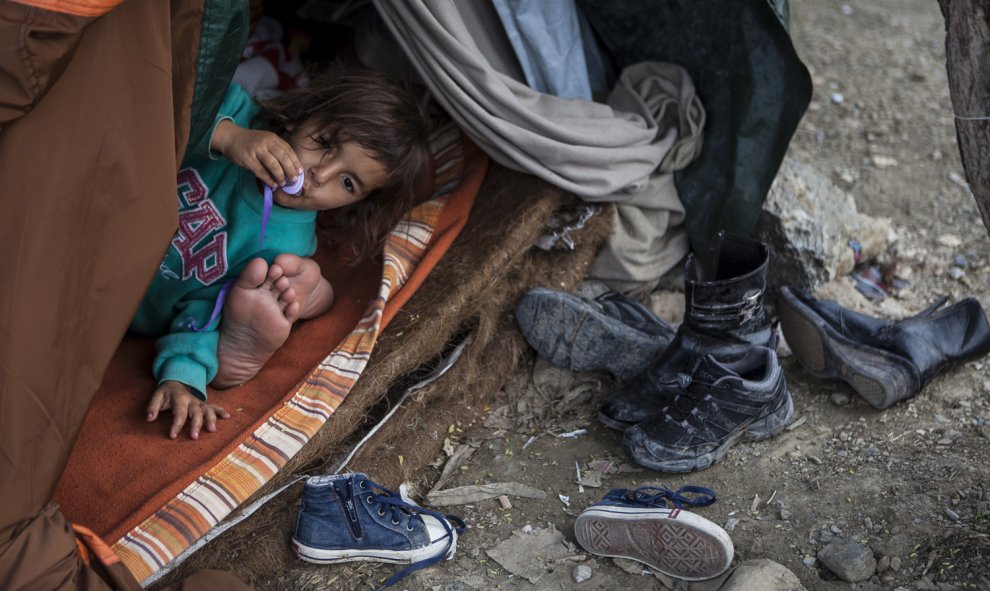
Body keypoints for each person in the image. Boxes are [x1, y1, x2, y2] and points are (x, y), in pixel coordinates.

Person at [132, 72, 431, 440]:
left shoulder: (285, 246)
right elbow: (159, 102)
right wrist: (228, 137)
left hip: (130, 311)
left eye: (348, 182)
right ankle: (315, 296)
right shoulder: (236, 112)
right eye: (323, 142)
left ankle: (295, 305)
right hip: (92, 233)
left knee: (258, 286)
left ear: (358, 202)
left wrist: (184, 380)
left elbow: (203, 310)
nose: (321, 174)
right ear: (299, 117)